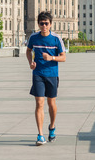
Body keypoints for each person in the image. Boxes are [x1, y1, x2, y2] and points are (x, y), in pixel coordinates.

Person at [26, 11, 66, 146]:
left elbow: (63, 57)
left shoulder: (56, 39)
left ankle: (52, 126)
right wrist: (30, 62)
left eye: (46, 24)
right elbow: (28, 50)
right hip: (38, 74)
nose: (44, 26)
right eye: (41, 24)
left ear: (50, 25)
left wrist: (51, 58)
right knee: (39, 103)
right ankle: (40, 135)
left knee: (51, 104)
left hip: (52, 74)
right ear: (38, 24)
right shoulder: (33, 37)